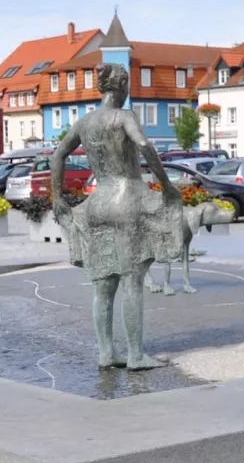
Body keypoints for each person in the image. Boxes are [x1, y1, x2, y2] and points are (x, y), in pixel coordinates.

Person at [51, 63, 180, 370]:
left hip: (98, 203)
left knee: (102, 285)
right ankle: (135, 355)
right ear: (121, 88)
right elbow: (145, 145)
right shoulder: (124, 117)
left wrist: (57, 196)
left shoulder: (85, 122)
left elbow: (58, 155)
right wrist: (166, 185)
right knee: (132, 282)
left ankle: (106, 352)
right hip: (127, 199)